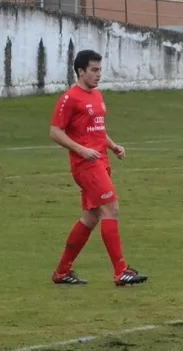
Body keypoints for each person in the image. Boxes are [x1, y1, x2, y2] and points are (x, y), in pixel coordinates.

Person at [49, 50, 148, 286]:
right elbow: (55, 132)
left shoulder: (97, 95)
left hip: (101, 161)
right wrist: (81, 150)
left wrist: (113, 146)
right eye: (94, 70)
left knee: (91, 217)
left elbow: (98, 129)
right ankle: (121, 271)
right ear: (81, 71)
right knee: (111, 209)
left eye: (100, 69)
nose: (98, 74)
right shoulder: (70, 98)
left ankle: (62, 272)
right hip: (85, 165)